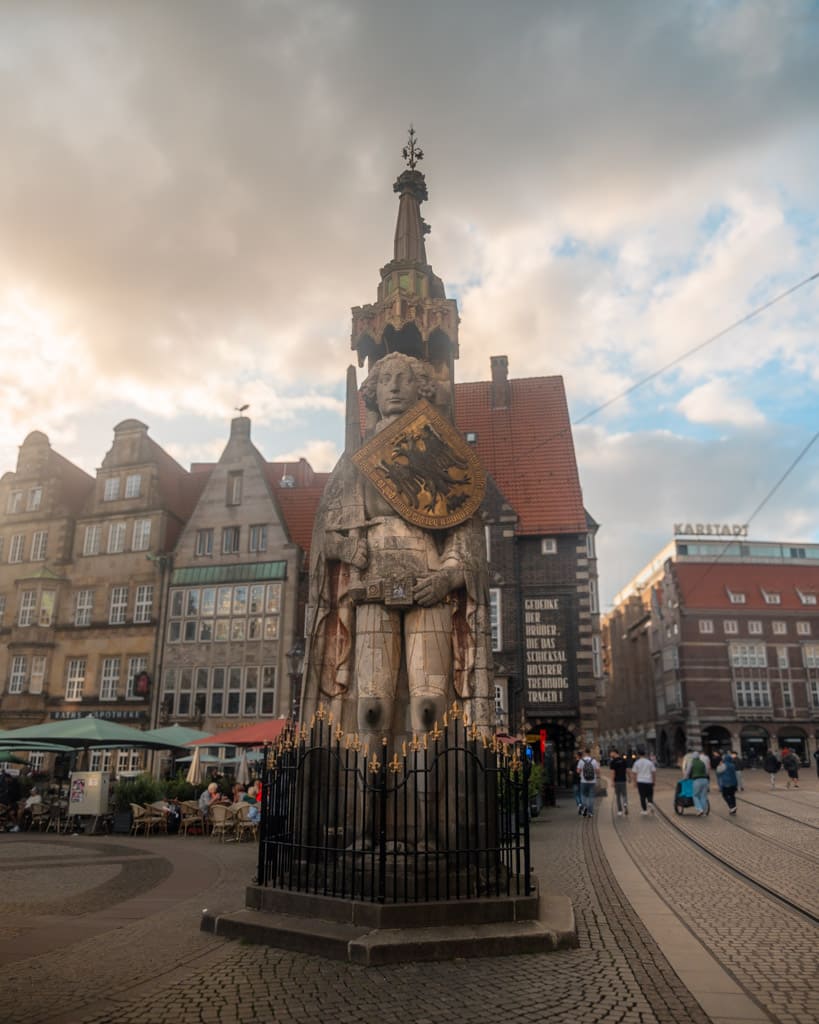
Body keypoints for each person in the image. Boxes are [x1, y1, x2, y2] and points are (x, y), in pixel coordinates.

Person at [303, 351, 493, 750]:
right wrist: (345, 546)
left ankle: (432, 805)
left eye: (402, 378)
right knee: (370, 707)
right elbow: (324, 537)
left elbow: (466, 529)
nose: (392, 386)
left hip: (429, 581)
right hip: (371, 582)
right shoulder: (356, 459)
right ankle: (366, 802)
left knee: (428, 706)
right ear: (372, 392)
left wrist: (448, 575)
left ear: (420, 386)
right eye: (384, 378)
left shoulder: (441, 450)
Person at [630, 749, 656, 815]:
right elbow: (653, 772)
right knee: (650, 794)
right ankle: (650, 802)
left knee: (642, 796)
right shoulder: (649, 762)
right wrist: (653, 781)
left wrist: (634, 782)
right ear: (645, 754)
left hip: (640, 781)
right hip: (649, 781)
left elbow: (634, 773)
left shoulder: (636, 763)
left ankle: (644, 810)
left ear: (638, 755)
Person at [685, 749, 710, 816]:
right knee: (703, 796)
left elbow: (688, 772)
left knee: (695, 795)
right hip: (705, 780)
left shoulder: (691, 762)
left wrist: (685, 778)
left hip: (697, 780)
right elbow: (707, 772)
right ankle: (704, 813)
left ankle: (700, 809)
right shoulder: (702, 762)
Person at [576, 748, 599, 818]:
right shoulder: (594, 761)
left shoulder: (581, 761)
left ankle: (585, 807)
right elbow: (597, 771)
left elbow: (578, 771)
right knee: (591, 797)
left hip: (583, 781)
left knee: (583, 795)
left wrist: (581, 772)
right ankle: (590, 813)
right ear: (590, 753)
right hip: (592, 781)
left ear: (584, 753)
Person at [609, 748, 629, 816]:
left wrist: (612, 781)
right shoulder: (623, 760)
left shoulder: (613, 762)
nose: (610, 754)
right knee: (624, 794)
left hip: (617, 781)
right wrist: (629, 778)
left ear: (614, 753)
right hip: (623, 780)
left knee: (618, 796)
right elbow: (627, 770)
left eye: (611, 753)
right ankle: (625, 803)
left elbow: (613, 772)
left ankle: (620, 811)